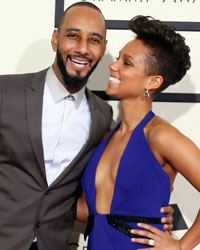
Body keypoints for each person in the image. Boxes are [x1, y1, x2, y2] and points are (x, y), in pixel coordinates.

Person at [0, 2, 173, 250]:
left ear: (102, 49)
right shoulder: (6, 92)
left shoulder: (103, 116)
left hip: (56, 244)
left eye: (94, 40)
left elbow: (92, 194)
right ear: (55, 39)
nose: (82, 49)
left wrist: (149, 215)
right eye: (73, 36)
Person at [77, 15, 200, 249]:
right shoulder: (106, 137)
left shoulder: (161, 136)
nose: (113, 66)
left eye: (127, 62)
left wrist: (181, 246)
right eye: (118, 58)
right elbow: (90, 211)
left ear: (152, 82)